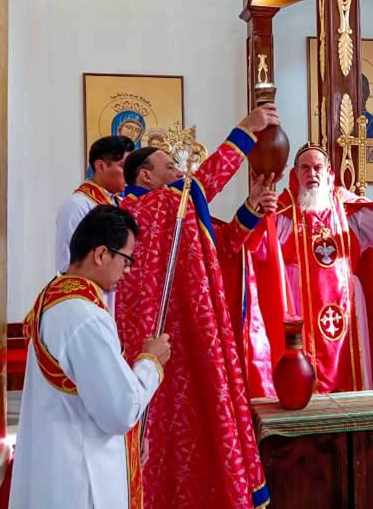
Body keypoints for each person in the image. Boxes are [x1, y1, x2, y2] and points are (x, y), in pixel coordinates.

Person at [116, 104, 279, 509]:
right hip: (151, 346)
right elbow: (198, 185)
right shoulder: (136, 210)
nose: (179, 173)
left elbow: (222, 248)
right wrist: (244, 132)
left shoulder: (175, 212)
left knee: (199, 432)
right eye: (170, 166)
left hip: (189, 342)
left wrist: (252, 209)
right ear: (144, 176)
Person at [240, 142, 373, 411]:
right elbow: (255, 252)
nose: (312, 173)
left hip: (349, 309)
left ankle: (356, 418)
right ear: (295, 174)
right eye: (305, 168)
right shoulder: (283, 211)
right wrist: (257, 211)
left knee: (354, 369)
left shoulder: (349, 209)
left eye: (318, 167)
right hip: (300, 305)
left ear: (329, 173)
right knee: (306, 376)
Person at [8, 206, 171, 508]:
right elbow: (119, 411)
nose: (128, 270)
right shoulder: (84, 316)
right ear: (101, 254)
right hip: (82, 473)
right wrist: (150, 362)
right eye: (126, 259)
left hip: (55, 457)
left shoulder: (53, 295)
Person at [56, 135, 134, 315]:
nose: (129, 174)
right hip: (89, 300)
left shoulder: (122, 203)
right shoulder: (77, 205)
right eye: (123, 166)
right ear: (100, 166)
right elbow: (69, 262)